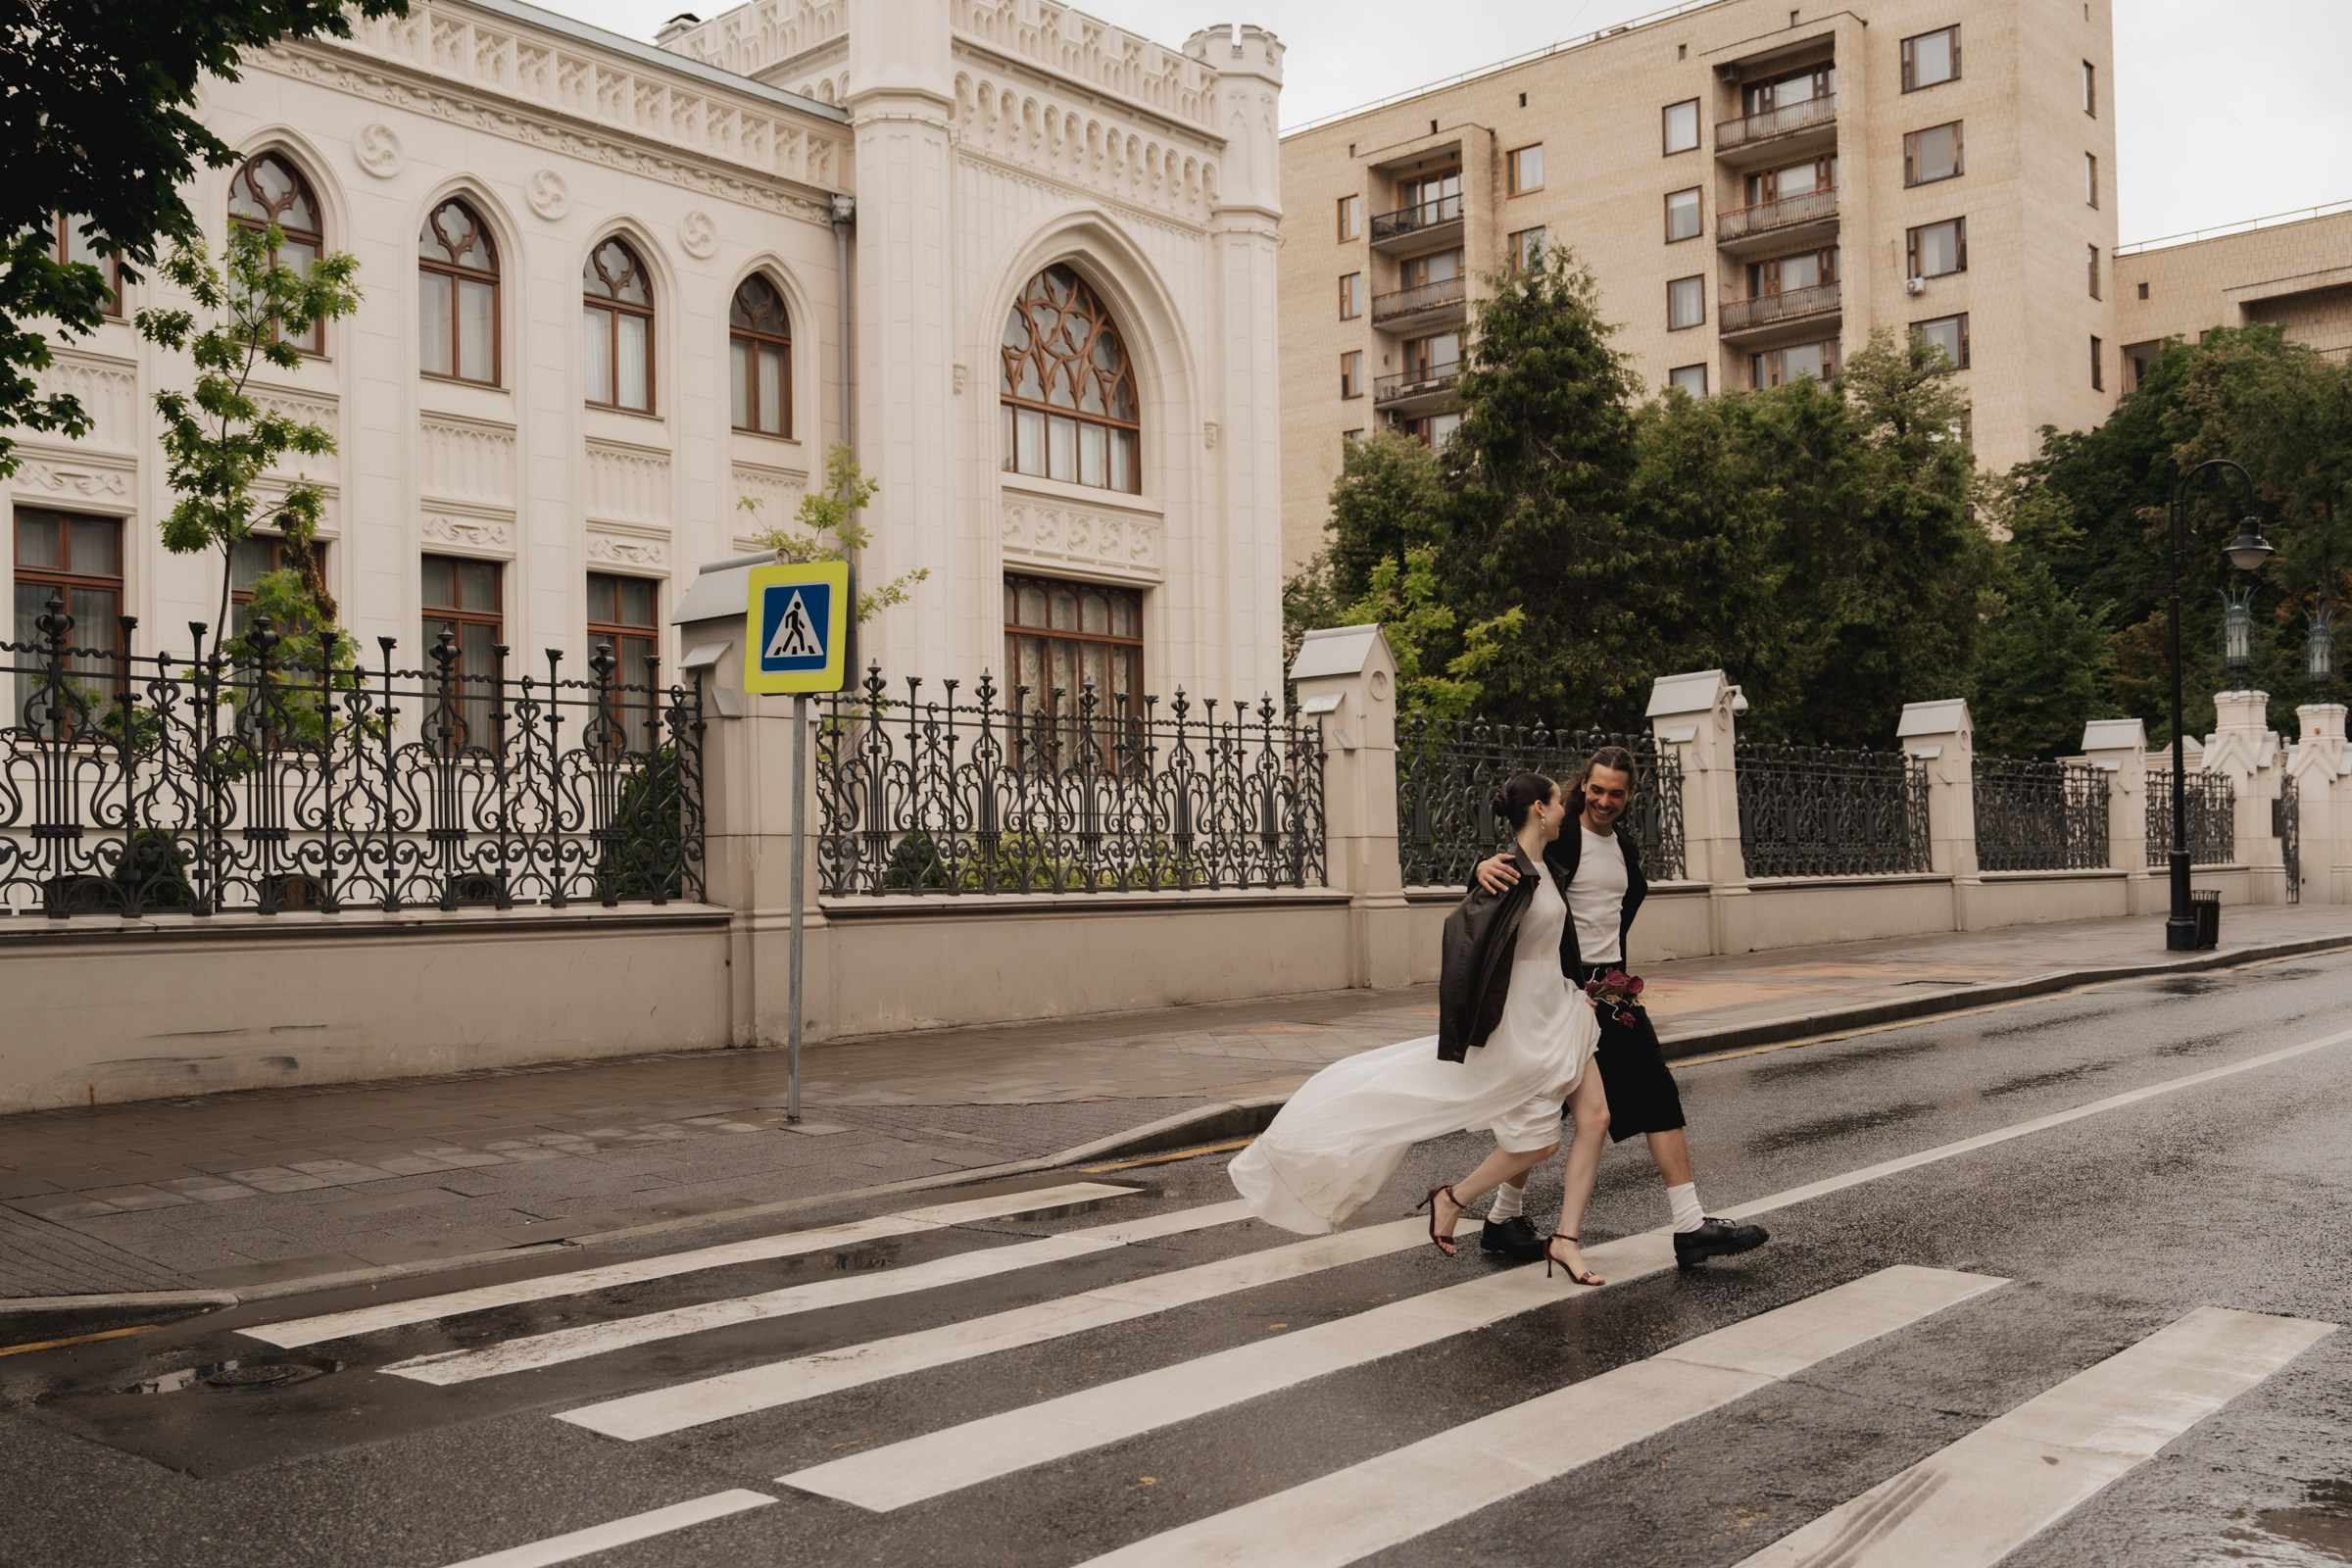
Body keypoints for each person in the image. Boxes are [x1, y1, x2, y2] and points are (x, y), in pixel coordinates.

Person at [1231, 773, 1613, 1285]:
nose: (1568, 809)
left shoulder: (1547, 868)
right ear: (1540, 811)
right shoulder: (1506, 872)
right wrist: (1478, 880)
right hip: (1521, 1023)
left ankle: (1565, 1240)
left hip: (1561, 1010)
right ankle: (1452, 1198)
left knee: (1597, 1117)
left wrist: (1581, 986)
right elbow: (1463, 934)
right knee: (1539, 1144)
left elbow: (1548, 942)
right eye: (1559, 802)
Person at [1473, 746, 1768, 1271]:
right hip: (1568, 989)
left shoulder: (1625, 845)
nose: (1604, 800)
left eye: (1616, 792)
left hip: (1612, 989)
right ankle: (1499, 1217)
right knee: (1547, 1105)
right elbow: (1513, 867)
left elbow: (1620, 909)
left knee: (1654, 1092)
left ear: (1630, 795)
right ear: (1581, 785)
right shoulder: (1561, 836)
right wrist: (1480, 867)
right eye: (1596, 789)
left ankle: (1689, 1225)